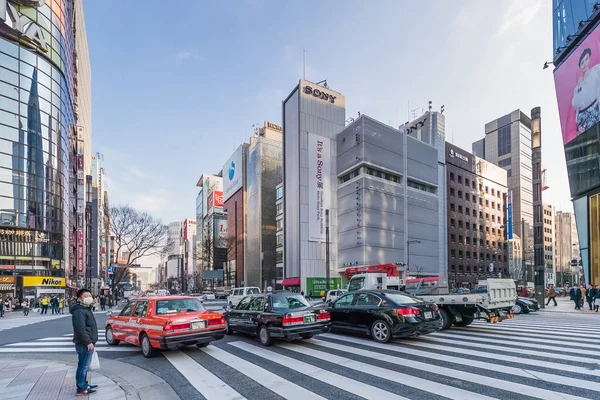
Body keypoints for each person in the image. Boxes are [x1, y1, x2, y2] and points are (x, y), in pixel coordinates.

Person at [71, 288, 99, 396]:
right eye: (86, 296)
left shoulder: (85, 309)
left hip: (87, 341)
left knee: (84, 366)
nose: (89, 298)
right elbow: (80, 329)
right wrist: (88, 342)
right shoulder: (79, 311)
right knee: (83, 366)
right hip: (84, 343)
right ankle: (81, 388)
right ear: (79, 299)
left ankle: (84, 384)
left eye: (90, 296)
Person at [572, 48, 600, 136]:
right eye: (582, 62)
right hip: (582, 117)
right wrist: (580, 87)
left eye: (586, 59)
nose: (584, 64)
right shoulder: (577, 88)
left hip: (595, 109)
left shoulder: (596, 70)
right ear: (579, 66)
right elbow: (575, 104)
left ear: (590, 59)